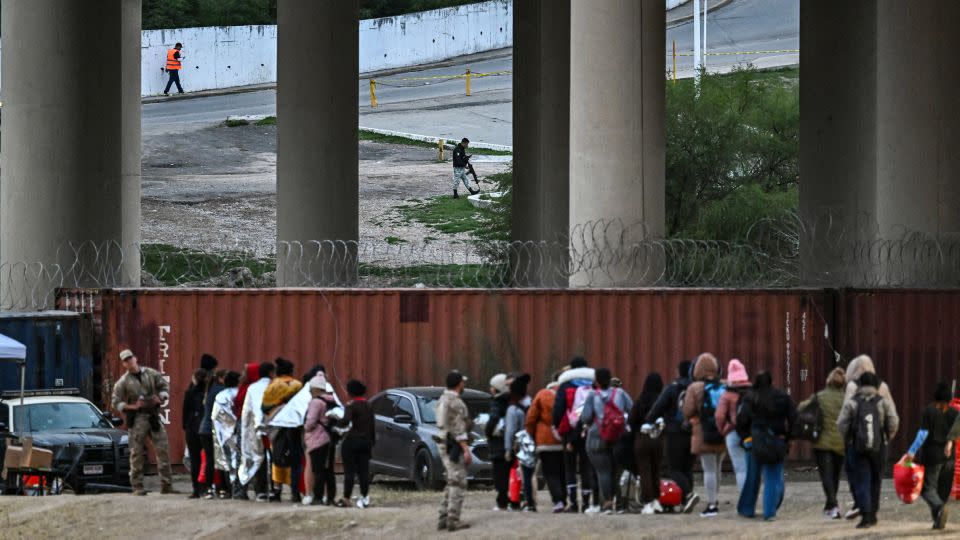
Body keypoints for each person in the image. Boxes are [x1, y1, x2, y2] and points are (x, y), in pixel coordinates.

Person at [837, 372, 899, 529]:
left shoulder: (852, 402)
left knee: (862, 480)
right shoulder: (882, 402)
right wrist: (886, 437)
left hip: (857, 447)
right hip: (879, 447)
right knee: (876, 480)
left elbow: (841, 423)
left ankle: (865, 515)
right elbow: (893, 420)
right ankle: (873, 514)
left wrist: (848, 440)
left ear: (860, 385)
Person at [110, 348, 175, 496]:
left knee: (163, 449)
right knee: (136, 452)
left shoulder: (151, 374)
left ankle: (167, 485)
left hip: (153, 415)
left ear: (135, 358)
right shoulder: (123, 381)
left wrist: (161, 398)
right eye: (126, 360)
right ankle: (137, 486)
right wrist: (131, 406)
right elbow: (115, 401)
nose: (129, 362)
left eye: (130, 358)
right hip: (137, 418)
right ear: (123, 364)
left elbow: (164, 386)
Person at [735, 371, 797, 521]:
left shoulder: (749, 397)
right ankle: (770, 512)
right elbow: (794, 419)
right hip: (776, 439)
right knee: (773, 477)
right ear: (772, 381)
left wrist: (745, 438)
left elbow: (741, 420)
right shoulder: (783, 397)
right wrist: (788, 438)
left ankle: (747, 509)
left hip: (755, 440)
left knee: (752, 476)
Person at [903, 382, 959, 530]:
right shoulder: (954, 412)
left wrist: (912, 451)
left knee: (926, 489)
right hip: (949, 458)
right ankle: (938, 521)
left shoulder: (929, 411)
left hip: (932, 456)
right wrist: (950, 443)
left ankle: (940, 508)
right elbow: (956, 432)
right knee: (942, 492)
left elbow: (922, 434)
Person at [646, 359, 699, 513]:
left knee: (673, 468)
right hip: (692, 432)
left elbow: (658, 407)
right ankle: (685, 500)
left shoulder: (672, 388)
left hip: (674, 433)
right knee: (687, 467)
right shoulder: (695, 388)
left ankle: (688, 494)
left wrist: (648, 421)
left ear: (678, 371)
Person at [581, 367, 633, 515]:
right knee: (615, 472)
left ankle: (608, 503)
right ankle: (621, 504)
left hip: (597, 437)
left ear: (596, 381)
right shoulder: (621, 393)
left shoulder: (592, 395)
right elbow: (632, 410)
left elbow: (585, 417)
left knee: (603, 471)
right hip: (618, 436)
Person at [798, 367, 846, 519]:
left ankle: (833, 505)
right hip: (840, 444)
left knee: (826, 475)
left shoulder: (820, 396)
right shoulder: (846, 398)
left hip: (822, 444)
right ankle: (830, 505)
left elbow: (801, 407)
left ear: (829, 381)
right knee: (835, 476)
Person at [682, 353, 726, 517]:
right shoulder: (724, 385)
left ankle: (712, 504)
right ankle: (716, 498)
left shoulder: (695, 388)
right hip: (722, 432)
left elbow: (687, 411)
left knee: (708, 470)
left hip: (703, 433)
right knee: (718, 467)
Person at [552, 358, 597, 512]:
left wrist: (556, 426)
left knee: (570, 468)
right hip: (589, 430)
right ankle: (586, 503)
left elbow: (558, 409)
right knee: (586, 467)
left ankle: (573, 502)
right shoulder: (593, 384)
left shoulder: (565, 385)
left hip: (569, 431)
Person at [261, 358, 304, 503]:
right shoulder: (298, 385)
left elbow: (264, 408)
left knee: (277, 458)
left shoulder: (272, 386)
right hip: (295, 426)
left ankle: (277, 491)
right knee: (295, 459)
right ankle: (295, 492)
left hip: (277, 428)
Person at [437, 370, 473, 532]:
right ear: (459, 384)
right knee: (458, 481)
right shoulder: (456, 403)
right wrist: (466, 449)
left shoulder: (442, 400)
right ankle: (453, 519)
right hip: (454, 445)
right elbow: (459, 429)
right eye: (463, 382)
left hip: (443, 443)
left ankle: (443, 517)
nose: (464, 385)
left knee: (451, 480)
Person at [526, 377, 567, 513]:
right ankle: (565, 499)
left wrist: (532, 435)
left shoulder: (542, 395)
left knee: (550, 472)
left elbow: (531, 418)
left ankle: (558, 500)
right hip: (564, 438)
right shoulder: (568, 393)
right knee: (562, 471)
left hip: (545, 440)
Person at [337, 379, 375, 508]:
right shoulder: (369, 406)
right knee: (364, 472)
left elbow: (345, 422)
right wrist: (372, 442)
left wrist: (335, 419)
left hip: (351, 442)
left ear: (350, 392)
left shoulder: (351, 405)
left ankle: (347, 498)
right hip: (366, 442)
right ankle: (364, 497)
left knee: (349, 472)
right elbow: (372, 426)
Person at [630, 372, 665, 514]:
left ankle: (648, 503)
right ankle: (657, 500)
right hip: (658, 439)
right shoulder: (661, 400)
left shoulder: (640, 399)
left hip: (642, 438)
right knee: (656, 470)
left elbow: (631, 421)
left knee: (645, 471)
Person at [239, 361, 273, 502]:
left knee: (258, 459)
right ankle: (275, 490)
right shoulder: (275, 385)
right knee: (274, 459)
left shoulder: (252, 388)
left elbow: (246, 411)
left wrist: (245, 430)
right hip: (273, 428)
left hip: (255, 429)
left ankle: (260, 491)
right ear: (271, 373)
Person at [716, 359, 751, 493]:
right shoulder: (752, 391)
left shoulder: (727, 394)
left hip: (732, 433)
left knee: (740, 468)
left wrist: (723, 430)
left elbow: (719, 416)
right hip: (750, 433)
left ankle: (744, 498)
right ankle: (753, 497)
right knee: (751, 467)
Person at [303, 372, 333, 506]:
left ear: (316, 388)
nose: (309, 391)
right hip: (329, 438)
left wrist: (305, 427)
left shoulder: (316, 402)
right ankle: (330, 497)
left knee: (317, 470)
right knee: (327, 470)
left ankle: (318, 497)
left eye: (311, 389)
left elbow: (311, 422)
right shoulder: (330, 400)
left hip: (317, 439)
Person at [504, 374, 533, 511]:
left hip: (519, 445)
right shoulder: (531, 403)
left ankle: (515, 500)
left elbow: (510, 431)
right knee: (530, 475)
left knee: (517, 474)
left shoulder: (513, 409)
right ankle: (530, 501)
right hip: (533, 443)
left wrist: (508, 449)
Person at [212, 371, 241, 499]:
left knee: (224, 459)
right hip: (238, 432)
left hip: (222, 432)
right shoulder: (240, 394)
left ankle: (227, 489)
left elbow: (214, 417)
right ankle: (238, 488)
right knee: (239, 459)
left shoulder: (220, 396)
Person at [487, 372, 514, 511]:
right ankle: (515, 500)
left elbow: (493, 420)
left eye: (492, 386)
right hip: (512, 443)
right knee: (512, 473)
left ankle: (502, 502)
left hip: (498, 444)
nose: (490, 389)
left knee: (500, 476)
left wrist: (488, 431)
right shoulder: (513, 400)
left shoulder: (497, 402)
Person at [183, 368, 209, 498]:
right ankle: (206, 487)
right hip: (205, 430)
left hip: (191, 429)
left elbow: (185, 411)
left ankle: (196, 489)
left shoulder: (189, 393)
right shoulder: (208, 393)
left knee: (195, 460)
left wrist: (186, 427)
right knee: (207, 459)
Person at [199, 368, 225, 499]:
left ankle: (209, 488)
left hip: (204, 429)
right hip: (215, 430)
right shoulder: (221, 391)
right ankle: (222, 489)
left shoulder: (210, 390)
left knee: (210, 460)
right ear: (221, 378)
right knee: (220, 460)